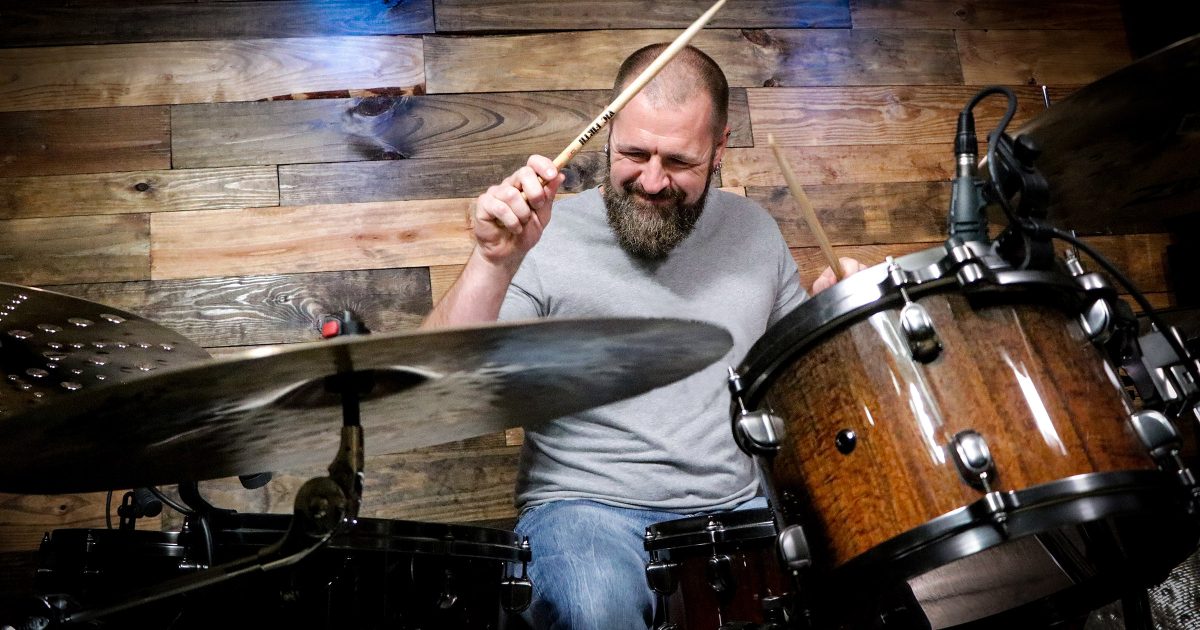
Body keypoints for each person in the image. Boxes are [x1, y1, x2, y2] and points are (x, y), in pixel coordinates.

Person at [422, 43, 865, 630]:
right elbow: (441, 385)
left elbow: (799, 389)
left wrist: (840, 316)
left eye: (679, 161)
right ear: (608, 134)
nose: (652, 181)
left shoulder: (755, 232)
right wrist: (492, 260)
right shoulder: (543, 236)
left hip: (737, 508)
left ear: (720, 147)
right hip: (586, 510)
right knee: (596, 607)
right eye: (633, 153)